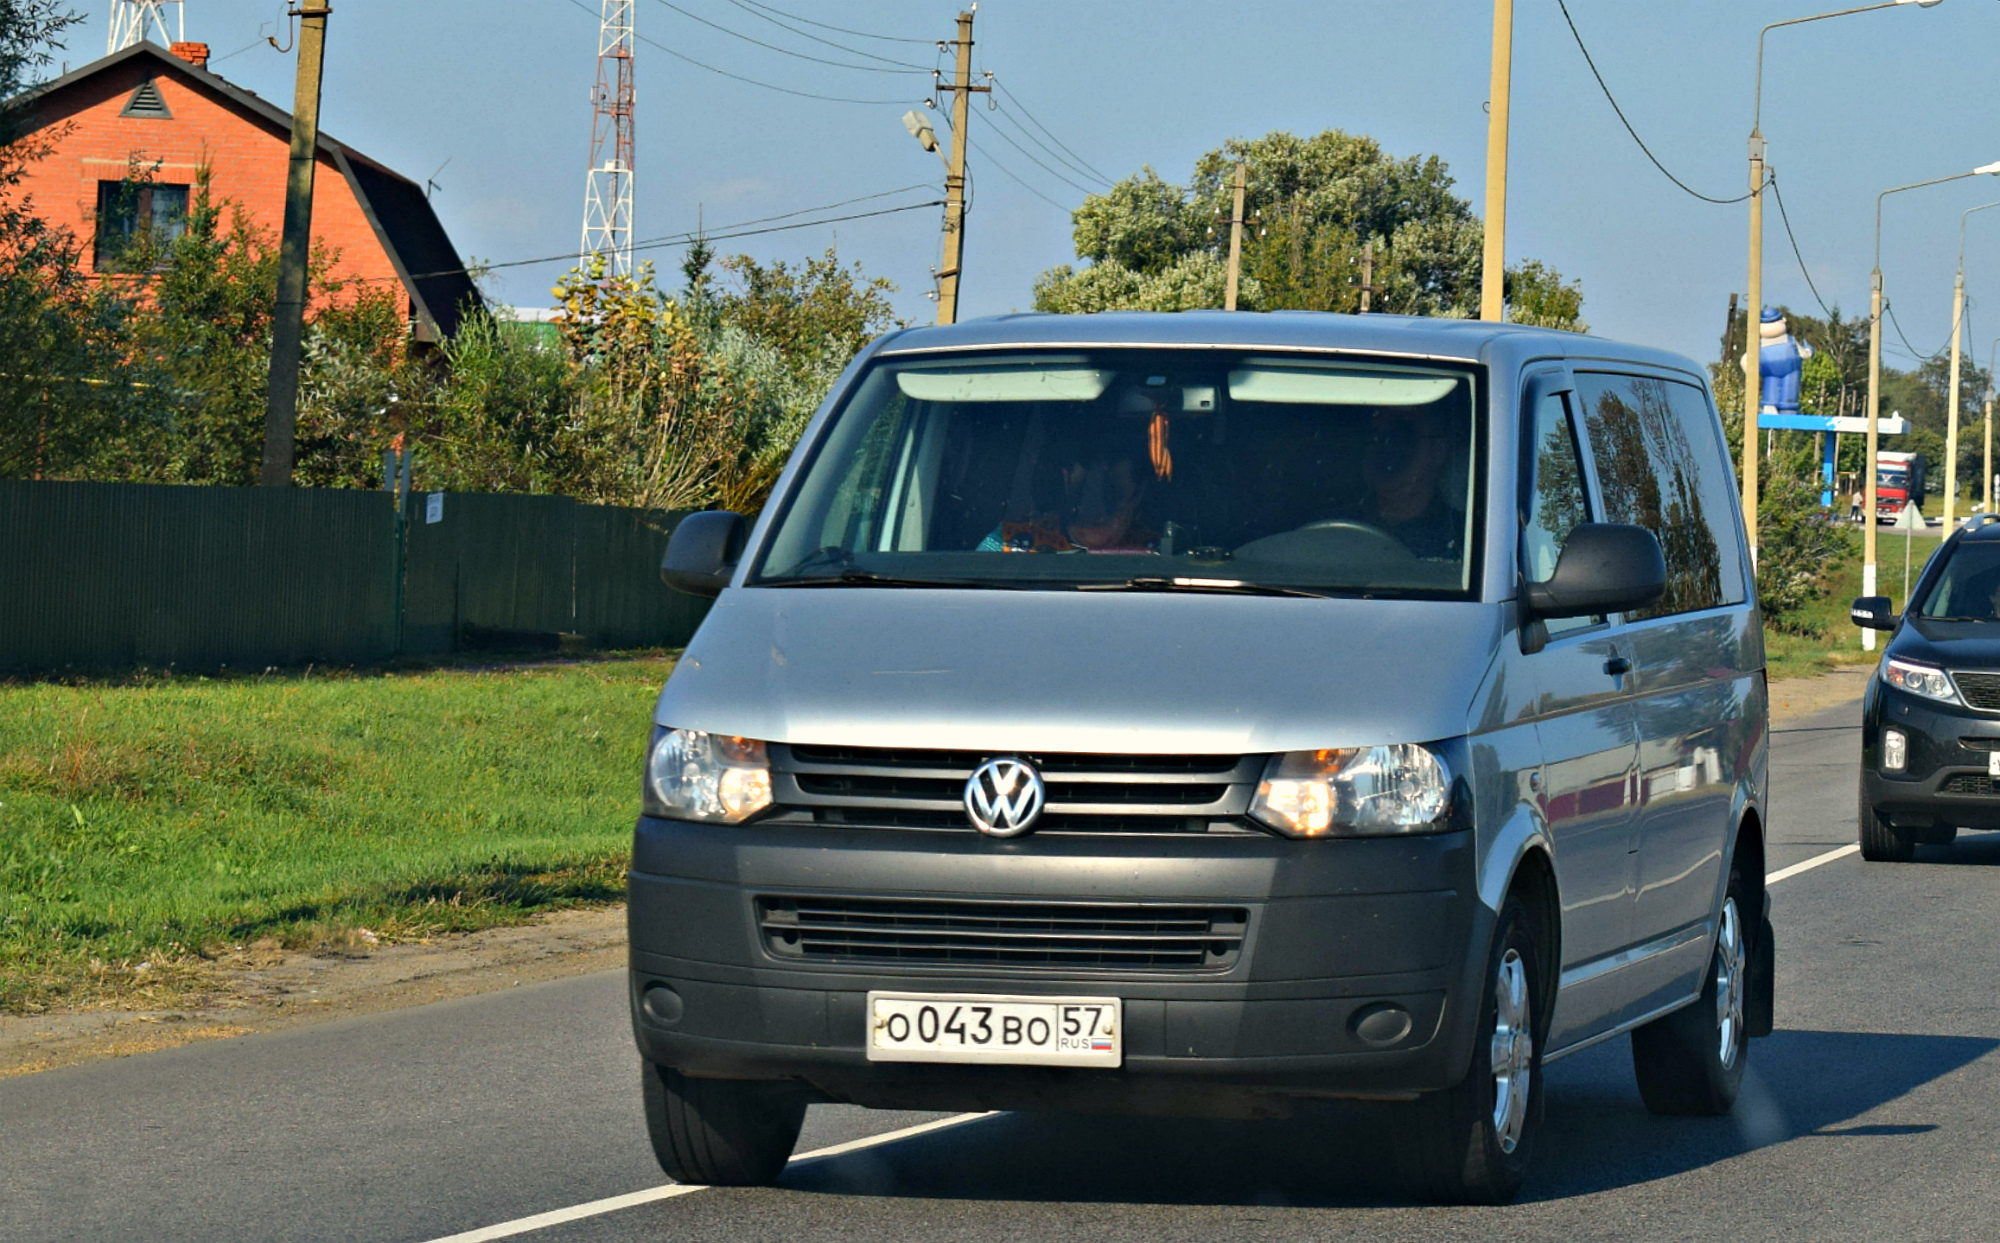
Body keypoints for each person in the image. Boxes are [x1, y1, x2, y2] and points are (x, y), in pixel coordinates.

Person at [1358, 406, 1464, 560]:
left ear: (1437, 451)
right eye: (1373, 435)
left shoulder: (1467, 540)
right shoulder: (1334, 523)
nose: (1383, 446)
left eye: (1400, 436)